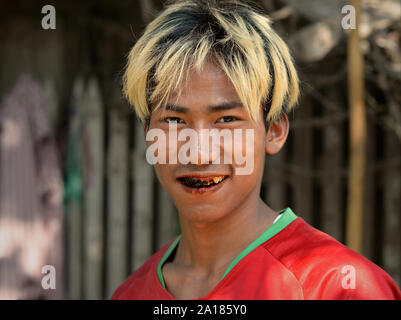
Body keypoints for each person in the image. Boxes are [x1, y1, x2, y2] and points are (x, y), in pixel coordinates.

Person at [112, 0, 401, 299]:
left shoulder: (336, 286)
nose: (198, 153)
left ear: (274, 132)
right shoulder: (131, 294)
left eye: (226, 120)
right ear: (149, 136)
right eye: (174, 121)